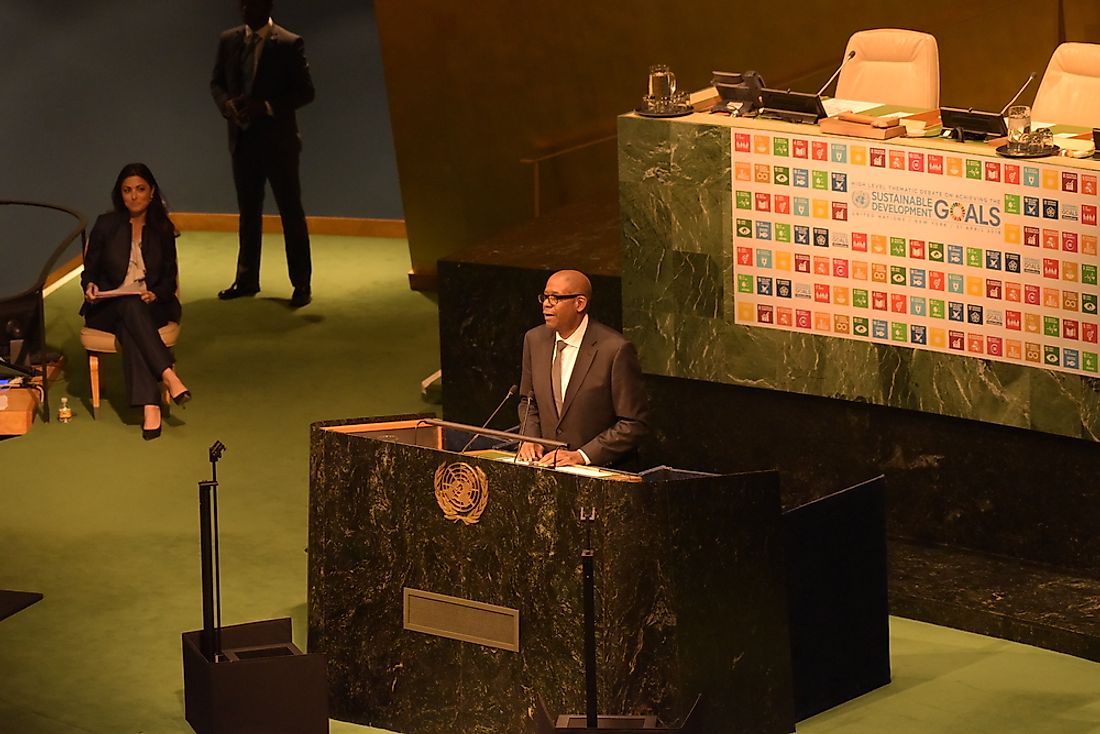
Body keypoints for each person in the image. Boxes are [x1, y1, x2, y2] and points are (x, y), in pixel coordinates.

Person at [210, 0, 315, 308]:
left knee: (290, 213)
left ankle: (301, 284)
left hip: (279, 143)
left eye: (252, 2)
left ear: (267, 5)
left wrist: (266, 106)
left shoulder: (288, 43)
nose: (244, 8)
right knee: (248, 214)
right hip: (242, 141)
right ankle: (246, 279)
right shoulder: (229, 40)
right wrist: (226, 104)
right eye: (242, 2)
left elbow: (306, 91)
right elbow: (216, 82)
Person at [81, 163, 191, 440]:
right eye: (127, 190)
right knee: (129, 307)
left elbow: (168, 277)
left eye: (140, 189)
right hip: (107, 306)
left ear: (152, 192)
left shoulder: (162, 228)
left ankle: (150, 406)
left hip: (150, 305)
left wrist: (156, 294)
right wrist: (90, 286)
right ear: (120, 194)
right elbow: (90, 271)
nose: (134, 196)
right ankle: (168, 376)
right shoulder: (106, 225)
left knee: (133, 314)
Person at [516, 270, 649, 467]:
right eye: (545, 297)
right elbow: (528, 401)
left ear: (580, 303)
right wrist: (531, 438)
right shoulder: (534, 340)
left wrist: (582, 455)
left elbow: (633, 423)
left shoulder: (614, 349)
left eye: (555, 298)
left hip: (598, 473)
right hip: (545, 469)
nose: (546, 304)